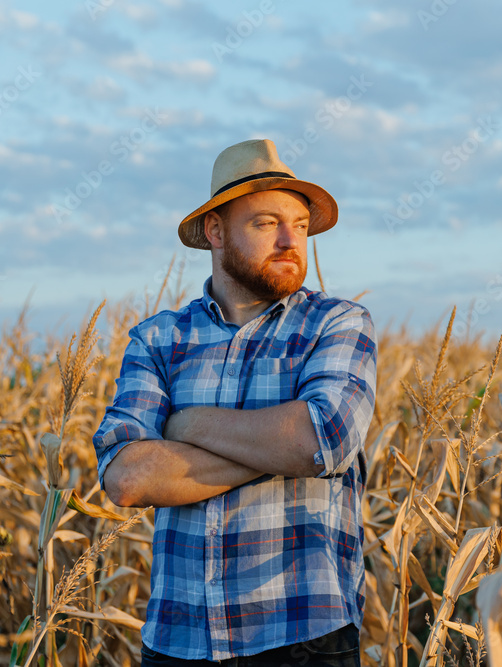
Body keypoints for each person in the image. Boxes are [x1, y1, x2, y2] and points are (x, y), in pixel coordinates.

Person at [93, 139, 377, 666]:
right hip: (179, 641)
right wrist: (274, 446)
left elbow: (322, 440)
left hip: (302, 636)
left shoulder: (335, 324)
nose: (291, 239)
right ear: (215, 231)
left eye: (300, 224)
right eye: (267, 223)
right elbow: (128, 477)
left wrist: (186, 424)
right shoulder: (159, 339)